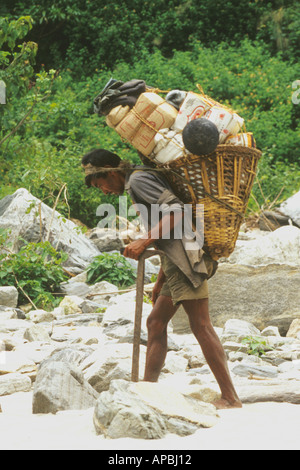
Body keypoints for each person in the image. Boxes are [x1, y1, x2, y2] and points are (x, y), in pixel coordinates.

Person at [82, 148, 242, 409]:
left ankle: (230, 398)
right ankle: (148, 391)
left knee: (201, 325)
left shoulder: (137, 181)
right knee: (156, 322)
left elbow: (178, 213)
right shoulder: (137, 181)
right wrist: (159, 281)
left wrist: (144, 240)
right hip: (175, 261)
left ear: (111, 173)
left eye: (102, 185)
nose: (105, 192)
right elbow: (167, 236)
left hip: (187, 259)